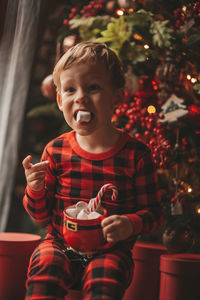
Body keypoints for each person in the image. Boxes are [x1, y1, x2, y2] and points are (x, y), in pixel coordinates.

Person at [22, 41, 163, 300]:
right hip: (59, 244)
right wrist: (35, 188)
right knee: (45, 268)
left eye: (93, 87)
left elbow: (155, 213)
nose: (80, 97)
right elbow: (39, 217)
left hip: (110, 250)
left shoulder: (136, 154)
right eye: (70, 89)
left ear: (117, 97)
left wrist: (130, 224)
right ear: (60, 99)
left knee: (105, 282)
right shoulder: (55, 151)